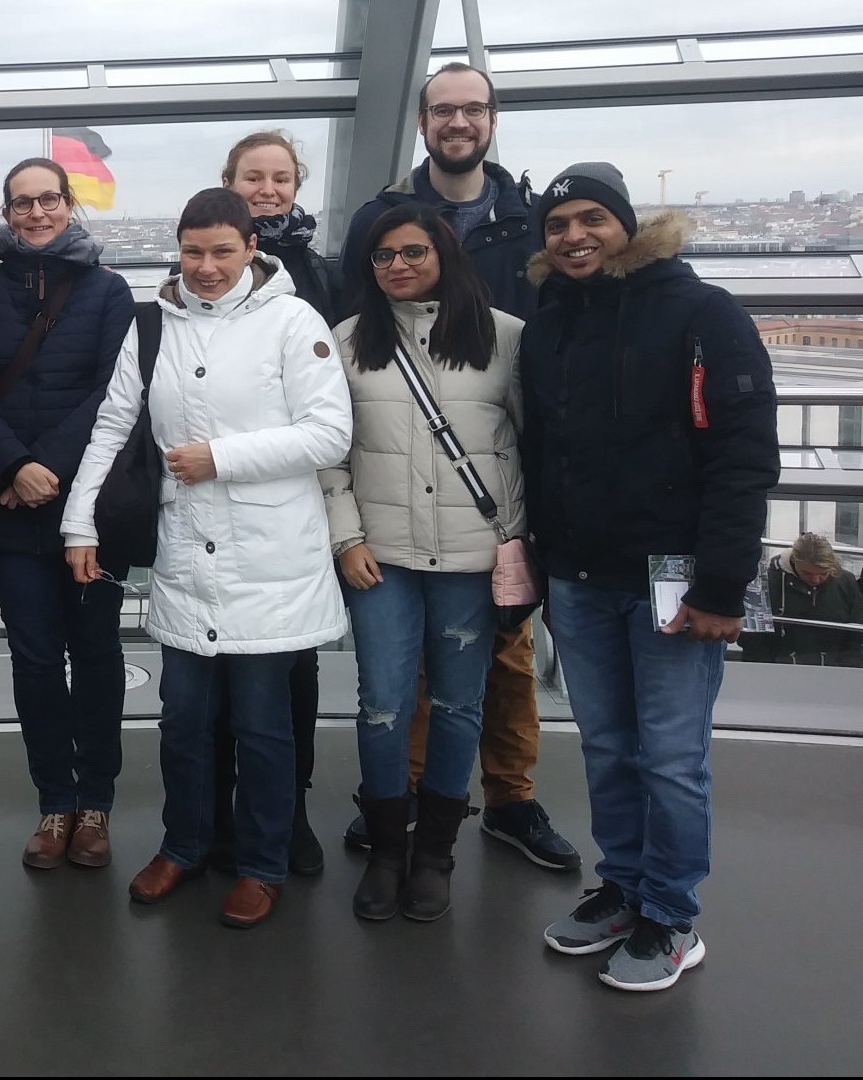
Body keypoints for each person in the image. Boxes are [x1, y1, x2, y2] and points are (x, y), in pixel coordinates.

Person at [62, 188, 351, 928]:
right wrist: (79, 525)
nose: (207, 266)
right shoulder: (151, 326)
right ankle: (183, 845)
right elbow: (111, 426)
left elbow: (329, 435)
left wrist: (220, 457)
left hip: (269, 565)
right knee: (182, 721)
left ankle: (261, 863)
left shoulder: (294, 322)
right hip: (189, 559)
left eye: (223, 250)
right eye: (193, 251)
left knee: (262, 727)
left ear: (253, 247)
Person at [523, 163, 778, 992]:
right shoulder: (550, 323)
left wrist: (720, 585)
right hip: (582, 574)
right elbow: (544, 452)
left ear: (629, 225)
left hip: (673, 572)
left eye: (591, 218)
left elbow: (743, 458)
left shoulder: (703, 314)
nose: (574, 236)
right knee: (606, 746)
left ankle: (672, 914)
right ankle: (625, 888)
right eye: (558, 225)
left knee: (670, 755)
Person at [340, 61, 578, 871]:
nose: (459, 123)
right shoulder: (379, 218)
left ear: (492, 118)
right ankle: (398, 804)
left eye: (473, 109)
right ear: (421, 122)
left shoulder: (525, 215)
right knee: (399, 680)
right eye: (445, 110)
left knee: (497, 666)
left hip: (480, 496)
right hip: (398, 477)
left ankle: (507, 799)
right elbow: (358, 319)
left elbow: (538, 367)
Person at [323, 204, 526, 922]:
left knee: (460, 706)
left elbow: (529, 448)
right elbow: (331, 459)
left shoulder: (504, 339)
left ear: (445, 253)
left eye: (413, 251)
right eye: (383, 256)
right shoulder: (347, 344)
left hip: (472, 560)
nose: (398, 265)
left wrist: (517, 538)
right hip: (383, 558)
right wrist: (347, 538)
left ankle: (435, 854)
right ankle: (386, 849)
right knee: (382, 705)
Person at [0, 157, 133, 871]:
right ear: (6, 213)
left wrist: (45, 470)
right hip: (8, 506)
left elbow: (113, 393)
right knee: (33, 659)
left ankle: (98, 804)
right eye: (21, 203)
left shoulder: (109, 290)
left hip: (87, 503)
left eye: (48, 200)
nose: (36, 213)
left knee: (96, 655)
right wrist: (10, 465)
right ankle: (54, 803)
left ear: (69, 204)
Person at [211, 129, 344, 878]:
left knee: (291, 670)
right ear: (229, 182)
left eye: (280, 178)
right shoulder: (202, 270)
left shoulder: (321, 281)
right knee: (220, 668)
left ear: (297, 186)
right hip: (214, 497)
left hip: (294, 499)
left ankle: (287, 809)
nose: (267, 189)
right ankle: (225, 809)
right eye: (252, 177)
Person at [738, 533, 863, 666]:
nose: (815, 579)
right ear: (793, 561)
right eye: (807, 573)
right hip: (777, 670)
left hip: (835, 672)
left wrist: (848, 671)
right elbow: (752, 641)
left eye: (823, 573)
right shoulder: (761, 583)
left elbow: (856, 637)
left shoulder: (847, 582)